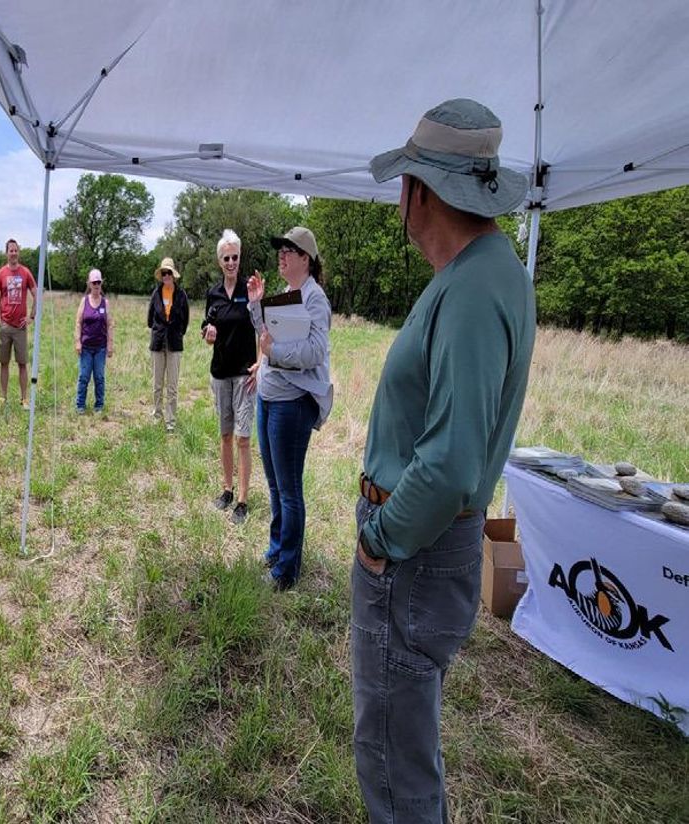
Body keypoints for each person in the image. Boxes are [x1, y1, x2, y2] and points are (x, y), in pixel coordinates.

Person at [352, 99, 536, 823]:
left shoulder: (473, 287)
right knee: (401, 743)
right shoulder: (485, 274)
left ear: (419, 191)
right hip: (424, 552)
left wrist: (379, 541)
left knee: (395, 762)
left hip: (412, 554)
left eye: (404, 183)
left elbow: (453, 463)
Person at [246, 227, 332, 591]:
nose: (281, 255)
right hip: (270, 399)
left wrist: (272, 354)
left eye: (288, 250)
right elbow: (266, 335)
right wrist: (255, 304)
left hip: (292, 405)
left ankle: (286, 572)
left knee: (289, 489)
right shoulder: (285, 294)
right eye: (280, 249)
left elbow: (314, 353)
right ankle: (278, 550)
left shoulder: (315, 300)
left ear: (305, 259)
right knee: (274, 484)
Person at [201, 230, 256, 524]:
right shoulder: (214, 293)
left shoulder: (252, 289)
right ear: (219, 261)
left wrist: (260, 364)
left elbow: (263, 326)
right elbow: (207, 327)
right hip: (220, 373)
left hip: (245, 374)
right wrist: (208, 335)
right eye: (226, 258)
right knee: (225, 435)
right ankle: (227, 490)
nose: (232, 262)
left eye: (235, 257)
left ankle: (244, 501)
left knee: (243, 438)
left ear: (240, 257)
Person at [147, 257, 189, 433]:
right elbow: (150, 320)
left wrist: (176, 333)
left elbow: (185, 320)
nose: (166, 276)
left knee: (172, 386)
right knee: (157, 384)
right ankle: (157, 415)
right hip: (158, 343)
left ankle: (170, 420)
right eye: (163, 273)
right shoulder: (155, 294)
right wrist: (159, 332)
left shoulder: (181, 295)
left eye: (168, 272)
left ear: (173, 275)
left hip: (174, 344)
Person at [0, 238, 36, 408]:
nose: (13, 253)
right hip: (5, 325)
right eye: (10, 250)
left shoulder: (25, 273)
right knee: (4, 363)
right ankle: (3, 397)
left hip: (20, 327)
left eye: (15, 250)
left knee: (22, 364)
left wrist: (31, 317)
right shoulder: (1, 273)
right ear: (6, 253)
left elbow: (36, 294)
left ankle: (24, 398)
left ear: (19, 252)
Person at [73, 268, 114, 413]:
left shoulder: (105, 303)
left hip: (100, 347)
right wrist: (78, 341)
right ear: (89, 284)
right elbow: (78, 322)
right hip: (86, 347)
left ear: (101, 283)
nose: (96, 285)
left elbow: (110, 324)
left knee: (99, 377)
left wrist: (110, 344)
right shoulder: (84, 301)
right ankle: (80, 405)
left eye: (98, 282)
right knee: (84, 376)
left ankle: (99, 405)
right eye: (94, 282)